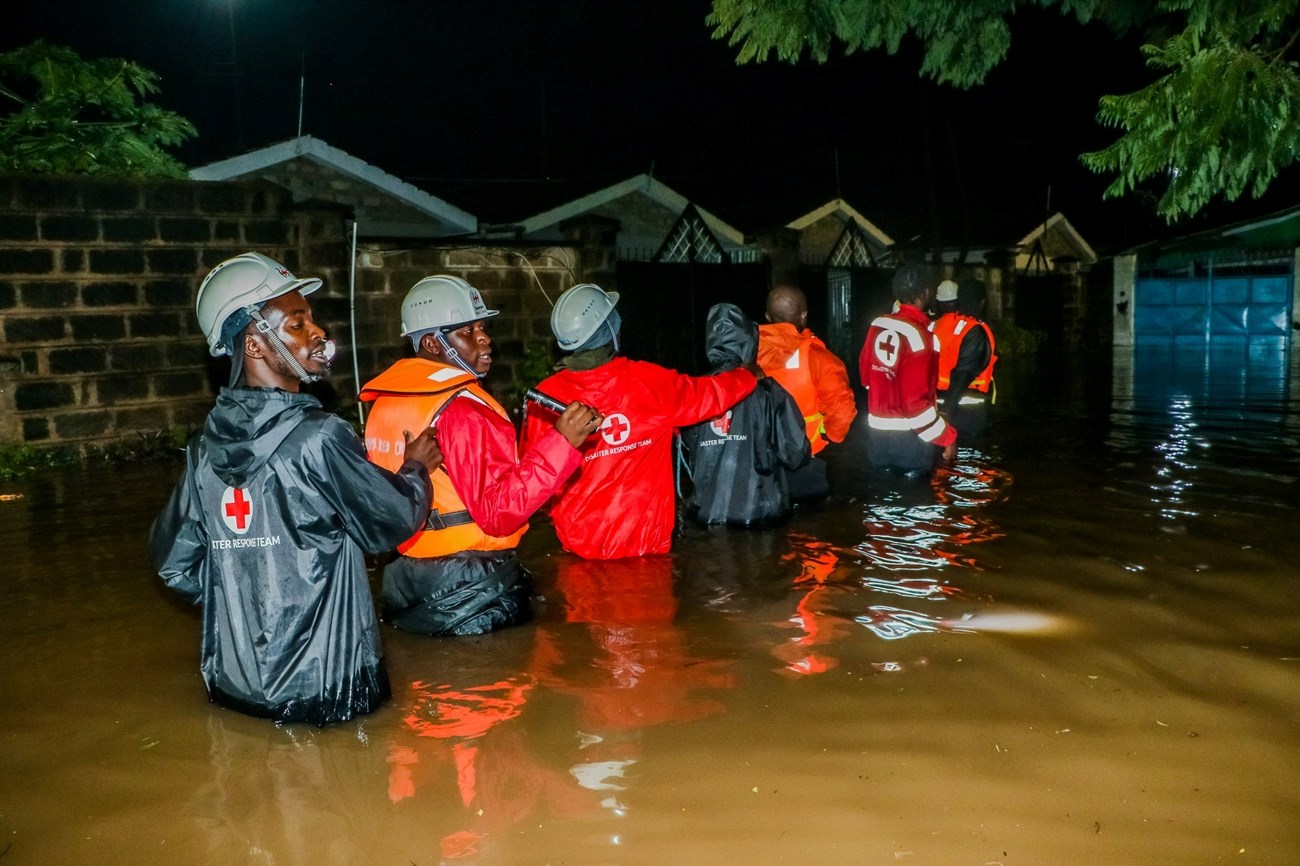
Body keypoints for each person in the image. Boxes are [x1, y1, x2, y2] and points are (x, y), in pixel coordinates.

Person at [149, 252, 443, 727]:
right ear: (255, 345)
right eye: (297, 324)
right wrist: (414, 470)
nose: (318, 334)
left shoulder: (202, 450)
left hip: (235, 688)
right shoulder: (320, 438)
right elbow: (390, 521)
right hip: (328, 689)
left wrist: (247, 600)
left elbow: (173, 564)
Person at [359, 275, 604, 635]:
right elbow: (498, 514)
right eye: (467, 331)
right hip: (469, 588)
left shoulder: (387, 402)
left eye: (482, 327)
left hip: (405, 578)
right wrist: (563, 441)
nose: (485, 338)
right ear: (431, 342)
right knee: (498, 688)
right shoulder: (463, 410)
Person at [520, 283, 760, 560]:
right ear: (610, 329)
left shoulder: (544, 399)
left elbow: (535, 480)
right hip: (647, 552)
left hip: (578, 553)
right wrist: (747, 375)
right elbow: (710, 395)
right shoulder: (650, 383)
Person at [680, 303, 811, 526]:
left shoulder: (695, 391)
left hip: (705, 513)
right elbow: (794, 453)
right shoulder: (770, 392)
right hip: (761, 513)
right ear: (750, 340)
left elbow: (689, 449)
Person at [756, 285, 857, 503]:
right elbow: (842, 408)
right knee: (811, 531)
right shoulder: (818, 357)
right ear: (804, 314)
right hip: (804, 461)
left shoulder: (747, 354)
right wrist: (830, 436)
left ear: (767, 316)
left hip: (758, 465)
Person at [858, 263, 957, 476]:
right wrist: (947, 437)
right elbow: (915, 406)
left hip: (877, 441)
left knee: (881, 503)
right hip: (910, 445)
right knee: (917, 505)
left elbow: (866, 378)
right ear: (926, 292)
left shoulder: (877, 325)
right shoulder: (922, 337)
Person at [932, 277, 997, 437]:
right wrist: (947, 413)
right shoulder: (975, 330)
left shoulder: (935, 325)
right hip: (967, 413)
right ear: (982, 302)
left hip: (935, 406)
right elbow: (963, 375)